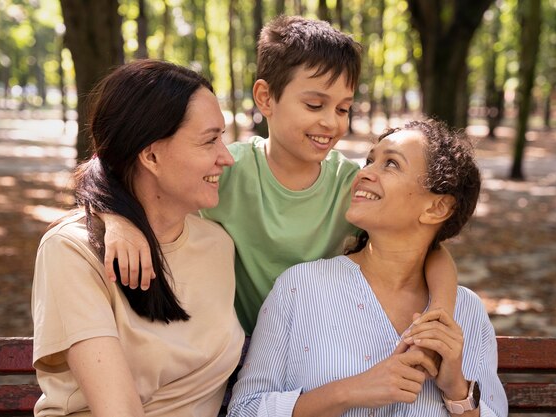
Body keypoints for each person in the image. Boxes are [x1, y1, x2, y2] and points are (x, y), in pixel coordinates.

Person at [99, 16, 458, 337]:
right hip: (235, 353)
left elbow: (427, 248)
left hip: (319, 350)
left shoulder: (352, 184)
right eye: (314, 105)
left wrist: (441, 309)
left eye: (343, 108)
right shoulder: (224, 170)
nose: (331, 122)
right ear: (266, 98)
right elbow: (128, 179)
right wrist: (117, 219)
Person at [227, 120, 508, 417]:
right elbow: (244, 410)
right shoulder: (299, 288)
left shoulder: (467, 312)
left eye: (391, 164)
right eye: (370, 160)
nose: (363, 173)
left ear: (436, 208)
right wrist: (350, 391)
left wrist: (458, 390)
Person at [31, 60, 245, 417]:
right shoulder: (72, 251)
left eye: (223, 137)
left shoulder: (217, 245)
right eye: (210, 140)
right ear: (151, 155)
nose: (227, 158)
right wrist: (110, 215)